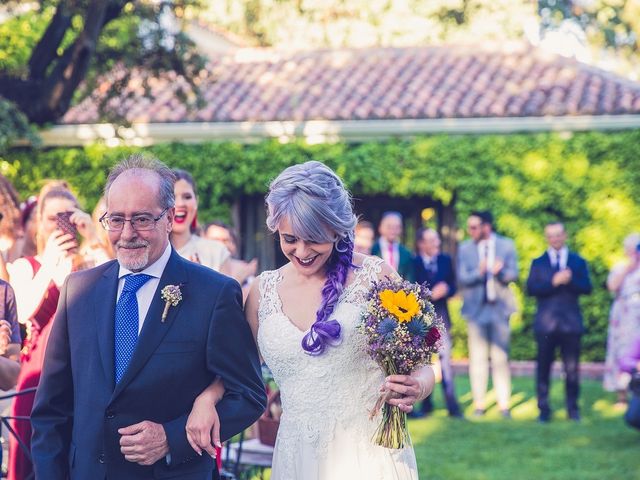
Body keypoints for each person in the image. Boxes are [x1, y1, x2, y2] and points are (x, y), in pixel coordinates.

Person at [188, 161, 434, 479]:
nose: (301, 251)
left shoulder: (376, 276)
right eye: (290, 239)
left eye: (313, 238)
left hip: (369, 456)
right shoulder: (263, 292)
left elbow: (423, 366)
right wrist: (207, 399)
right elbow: (238, 371)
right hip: (296, 457)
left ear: (336, 229)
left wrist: (418, 386)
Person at [30, 155, 266, 480]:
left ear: (169, 217)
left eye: (141, 219)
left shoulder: (213, 294)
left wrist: (173, 437)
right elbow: (50, 411)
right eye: (115, 220)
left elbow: (248, 395)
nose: (126, 233)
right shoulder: (78, 291)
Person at [8, 187, 99, 480]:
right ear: (39, 221)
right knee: (33, 456)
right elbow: (22, 312)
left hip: (83, 375)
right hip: (37, 375)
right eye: (52, 218)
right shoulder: (26, 266)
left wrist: (94, 237)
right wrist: (49, 263)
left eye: (67, 216)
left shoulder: (91, 266)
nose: (60, 224)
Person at [526, 222, 592, 422]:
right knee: (543, 368)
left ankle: (573, 408)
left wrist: (569, 280)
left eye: (558, 234)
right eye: (550, 235)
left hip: (570, 324)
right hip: (546, 325)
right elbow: (531, 289)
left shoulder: (577, 261)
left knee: (571, 369)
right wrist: (553, 282)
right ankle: (543, 409)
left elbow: (587, 288)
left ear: (565, 235)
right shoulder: (538, 262)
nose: (555, 238)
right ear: (547, 238)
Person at [458, 211, 518, 418]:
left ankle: (504, 405)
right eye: (469, 227)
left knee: (501, 358)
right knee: (478, 358)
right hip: (476, 310)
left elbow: (514, 274)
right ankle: (479, 404)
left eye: (474, 227)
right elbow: (462, 277)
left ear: (486, 227)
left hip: (499, 309)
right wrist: (480, 272)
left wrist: (500, 271)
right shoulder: (465, 248)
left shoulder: (506, 245)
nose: (471, 231)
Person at [411, 227, 462, 418]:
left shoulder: (445, 260)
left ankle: (452, 406)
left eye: (437, 240)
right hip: (420, 320)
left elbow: (453, 285)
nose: (436, 244)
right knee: (423, 362)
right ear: (422, 244)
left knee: (445, 360)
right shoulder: (414, 263)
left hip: (441, 319)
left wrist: (446, 289)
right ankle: (426, 404)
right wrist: (430, 293)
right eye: (432, 241)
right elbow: (411, 288)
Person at [170, 169, 232, 274]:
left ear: (196, 201)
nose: (180, 204)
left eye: (187, 197)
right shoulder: (152, 254)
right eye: (172, 197)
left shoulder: (216, 252)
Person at [604, 233, 640, 406]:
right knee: (622, 353)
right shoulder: (620, 267)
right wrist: (628, 268)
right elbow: (612, 287)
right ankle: (622, 395)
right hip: (624, 316)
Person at [205, 220, 258, 296]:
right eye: (215, 240)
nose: (221, 245)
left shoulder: (242, 267)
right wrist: (239, 277)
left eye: (225, 240)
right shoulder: (195, 266)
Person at [372, 211, 414, 281]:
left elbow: (410, 279)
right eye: (389, 226)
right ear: (380, 227)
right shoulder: (372, 249)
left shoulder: (406, 253)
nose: (393, 230)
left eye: (397, 227)